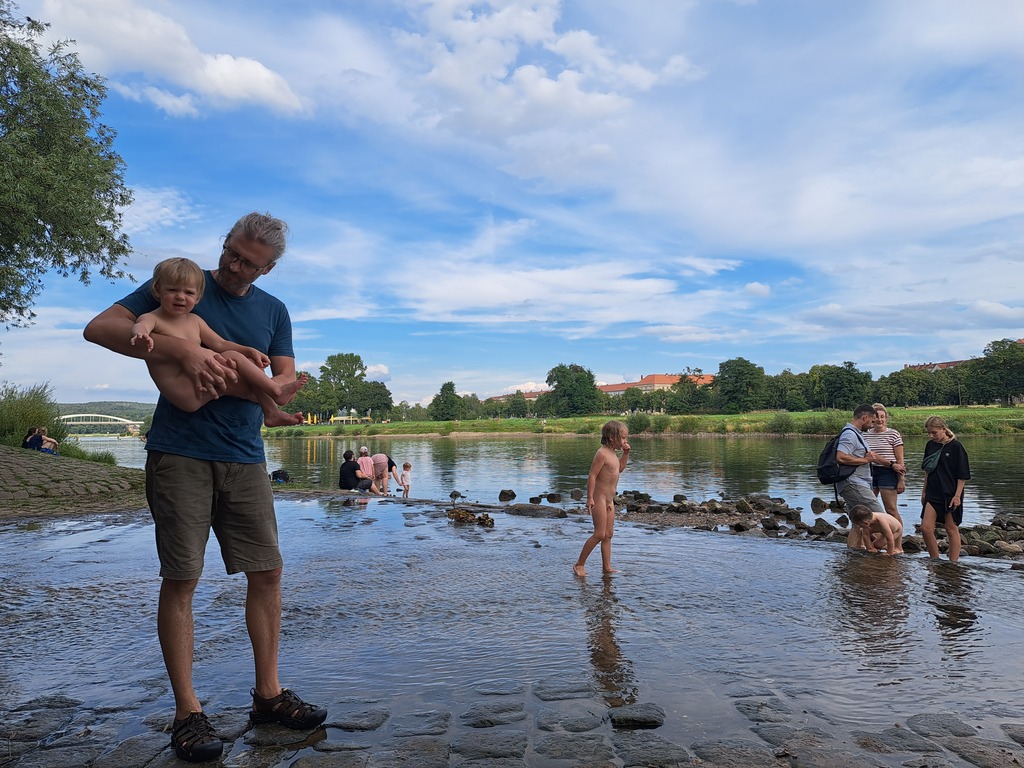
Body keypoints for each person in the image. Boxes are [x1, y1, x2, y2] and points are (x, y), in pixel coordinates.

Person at [83, 212, 326, 763]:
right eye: (233, 254)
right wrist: (186, 352)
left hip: (244, 457)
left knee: (267, 572)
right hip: (180, 455)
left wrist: (239, 379)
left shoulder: (274, 311)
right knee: (182, 578)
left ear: (270, 269)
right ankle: (188, 713)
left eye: (251, 264)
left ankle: (268, 695)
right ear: (224, 245)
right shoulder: (184, 281)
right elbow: (100, 328)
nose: (236, 268)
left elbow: (280, 388)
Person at [129, 257, 307, 428]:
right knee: (233, 359)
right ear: (158, 290)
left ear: (198, 297)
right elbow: (141, 326)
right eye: (172, 290)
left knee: (249, 364)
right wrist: (141, 335)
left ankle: (271, 412)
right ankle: (276, 391)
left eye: (188, 292)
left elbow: (220, 343)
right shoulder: (154, 317)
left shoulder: (194, 321)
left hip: (197, 382)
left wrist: (248, 350)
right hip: (182, 391)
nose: (180, 297)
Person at [573, 420, 630, 578]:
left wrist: (625, 454)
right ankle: (579, 564)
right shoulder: (602, 453)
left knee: (608, 534)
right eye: (623, 438)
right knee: (599, 534)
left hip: (609, 501)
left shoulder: (613, 454)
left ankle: (607, 567)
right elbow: (592, 475)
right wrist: (590, 498)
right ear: (612, 437)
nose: (625, 441)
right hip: (599, 499)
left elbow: (620, 468)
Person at [835, 404, 887, 550]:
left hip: (854, 483)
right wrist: (865, 460)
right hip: (853, 484)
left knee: (857, 524)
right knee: (882, 519)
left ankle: (853, 556)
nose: (872, 425)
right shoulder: (850, 434)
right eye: (871, 421)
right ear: (864, 418)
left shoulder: (856, 433)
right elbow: (841, 457)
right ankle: (886, 558)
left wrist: (891, 464)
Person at [921, 416, 971, 563]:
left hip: (950, 493)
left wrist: (957, 496)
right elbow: (927, 470)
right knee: (925, 528)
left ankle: (953, 563)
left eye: (934, 432)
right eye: (929, 433)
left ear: (944, 429)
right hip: (933, 491)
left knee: (951, 528)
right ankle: (934, 559)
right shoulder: (930, 445)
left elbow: (962, 475)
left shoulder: (956, 447)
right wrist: (924, 491)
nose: (931, 436)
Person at [863, 403, 906, 525]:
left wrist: (901, 479)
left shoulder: (893, 434)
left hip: (888, 472)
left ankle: (898, 538)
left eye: (882, 417)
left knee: (891, 509)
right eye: (876, 416)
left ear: (886, 418)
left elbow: (900, 460)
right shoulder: (865, 434)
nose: (879, 420)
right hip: (869, 471)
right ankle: (874, 536)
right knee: (868, 507)